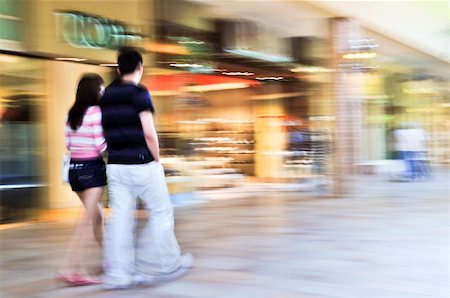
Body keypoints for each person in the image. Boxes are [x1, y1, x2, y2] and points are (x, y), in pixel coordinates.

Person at [100, 48, 192, 290]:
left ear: (119, 69)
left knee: (120, 218)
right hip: (142, 162)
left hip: (116, 165)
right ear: (139, 67)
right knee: (161, 212)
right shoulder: (139, 92)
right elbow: (149, 132)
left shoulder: (106, 95)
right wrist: (157, 159)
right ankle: (166, 263)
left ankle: (119, 273)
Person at [57, 73, 107, 286]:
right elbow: (100, 144)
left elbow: (68, 144)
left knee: (96, 216)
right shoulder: (95, 112)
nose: (103, 91)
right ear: (94, 91)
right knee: (86, 220)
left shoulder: (72, 114)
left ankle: (109, 260)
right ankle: (75, 268)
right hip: (92, 169)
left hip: (75, 171)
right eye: (101, 88)